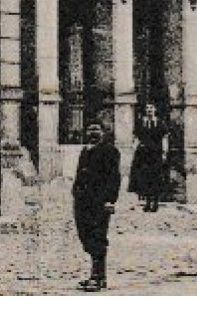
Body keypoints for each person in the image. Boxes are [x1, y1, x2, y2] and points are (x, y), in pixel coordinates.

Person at [72, 118, 121, 292]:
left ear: (103, 132)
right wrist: (75, 194)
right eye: (90, 129)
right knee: (85, 236)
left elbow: (114, 178)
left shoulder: (110, 151)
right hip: (83, 202)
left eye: (96, 130)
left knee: (97, 237)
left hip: (99, 202)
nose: (93, 133)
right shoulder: (84, 151)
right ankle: (95, 276)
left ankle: (98, 277)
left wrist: (110, 200)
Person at [128, 104, 168, 212]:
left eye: (151, 108)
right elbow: (136, 138)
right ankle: (147, 203)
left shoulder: (160, 123)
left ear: (155, 110)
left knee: (156, 178)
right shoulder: (141, 123)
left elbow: (164, 138)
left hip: (156, 154)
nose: (149, 110)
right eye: (147, 108)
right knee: (145, 178)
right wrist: (134, 150)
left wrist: (164, 152)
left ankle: (155, 203)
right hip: (143, 154)